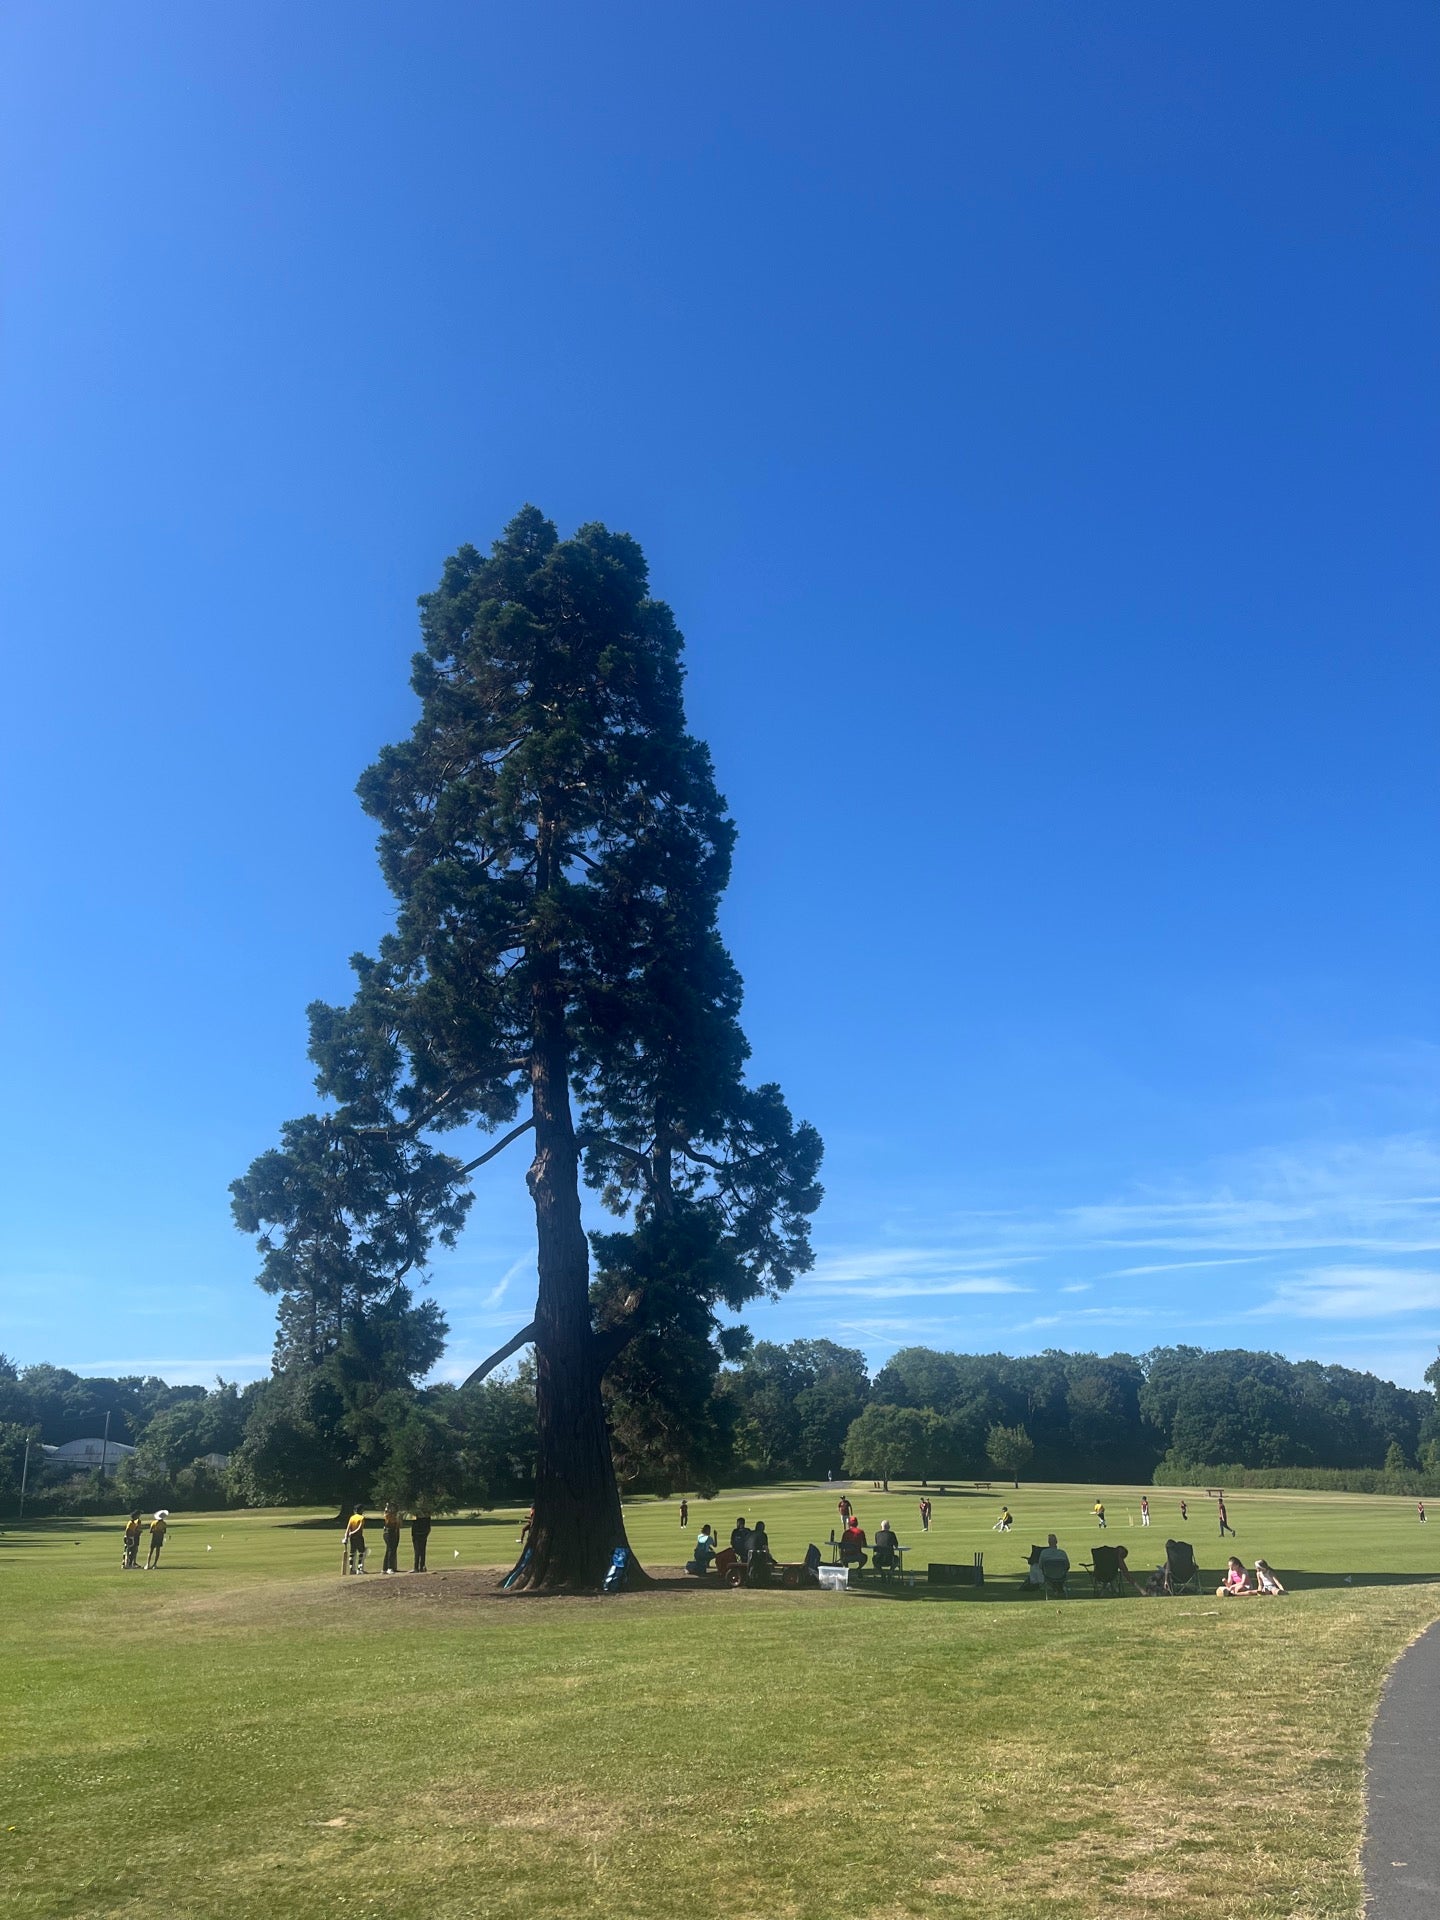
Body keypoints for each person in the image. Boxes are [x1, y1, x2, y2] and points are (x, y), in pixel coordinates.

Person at [344, 1507, 367, 1574]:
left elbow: (348, 1528)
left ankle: (351, 1569)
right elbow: (359, 1528)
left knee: (352, 1553)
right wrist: (352, 1533)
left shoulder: (352, 1517)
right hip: (359, 1537)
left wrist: (346, 1537)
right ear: (361, 1510)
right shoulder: (361, 1518)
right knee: (361, 1552)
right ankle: (359, 1569)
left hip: (352, 1538)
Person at [382, 1504, 402, 1575]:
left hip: (392, 1533)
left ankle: (385, 1568)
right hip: (389, 1533)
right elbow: (395, 1522)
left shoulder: (393, 1516)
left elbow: (399, 1525)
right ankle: (389, 1568)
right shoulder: (388, 1516)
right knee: (391, 1550)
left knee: (389, 1550)